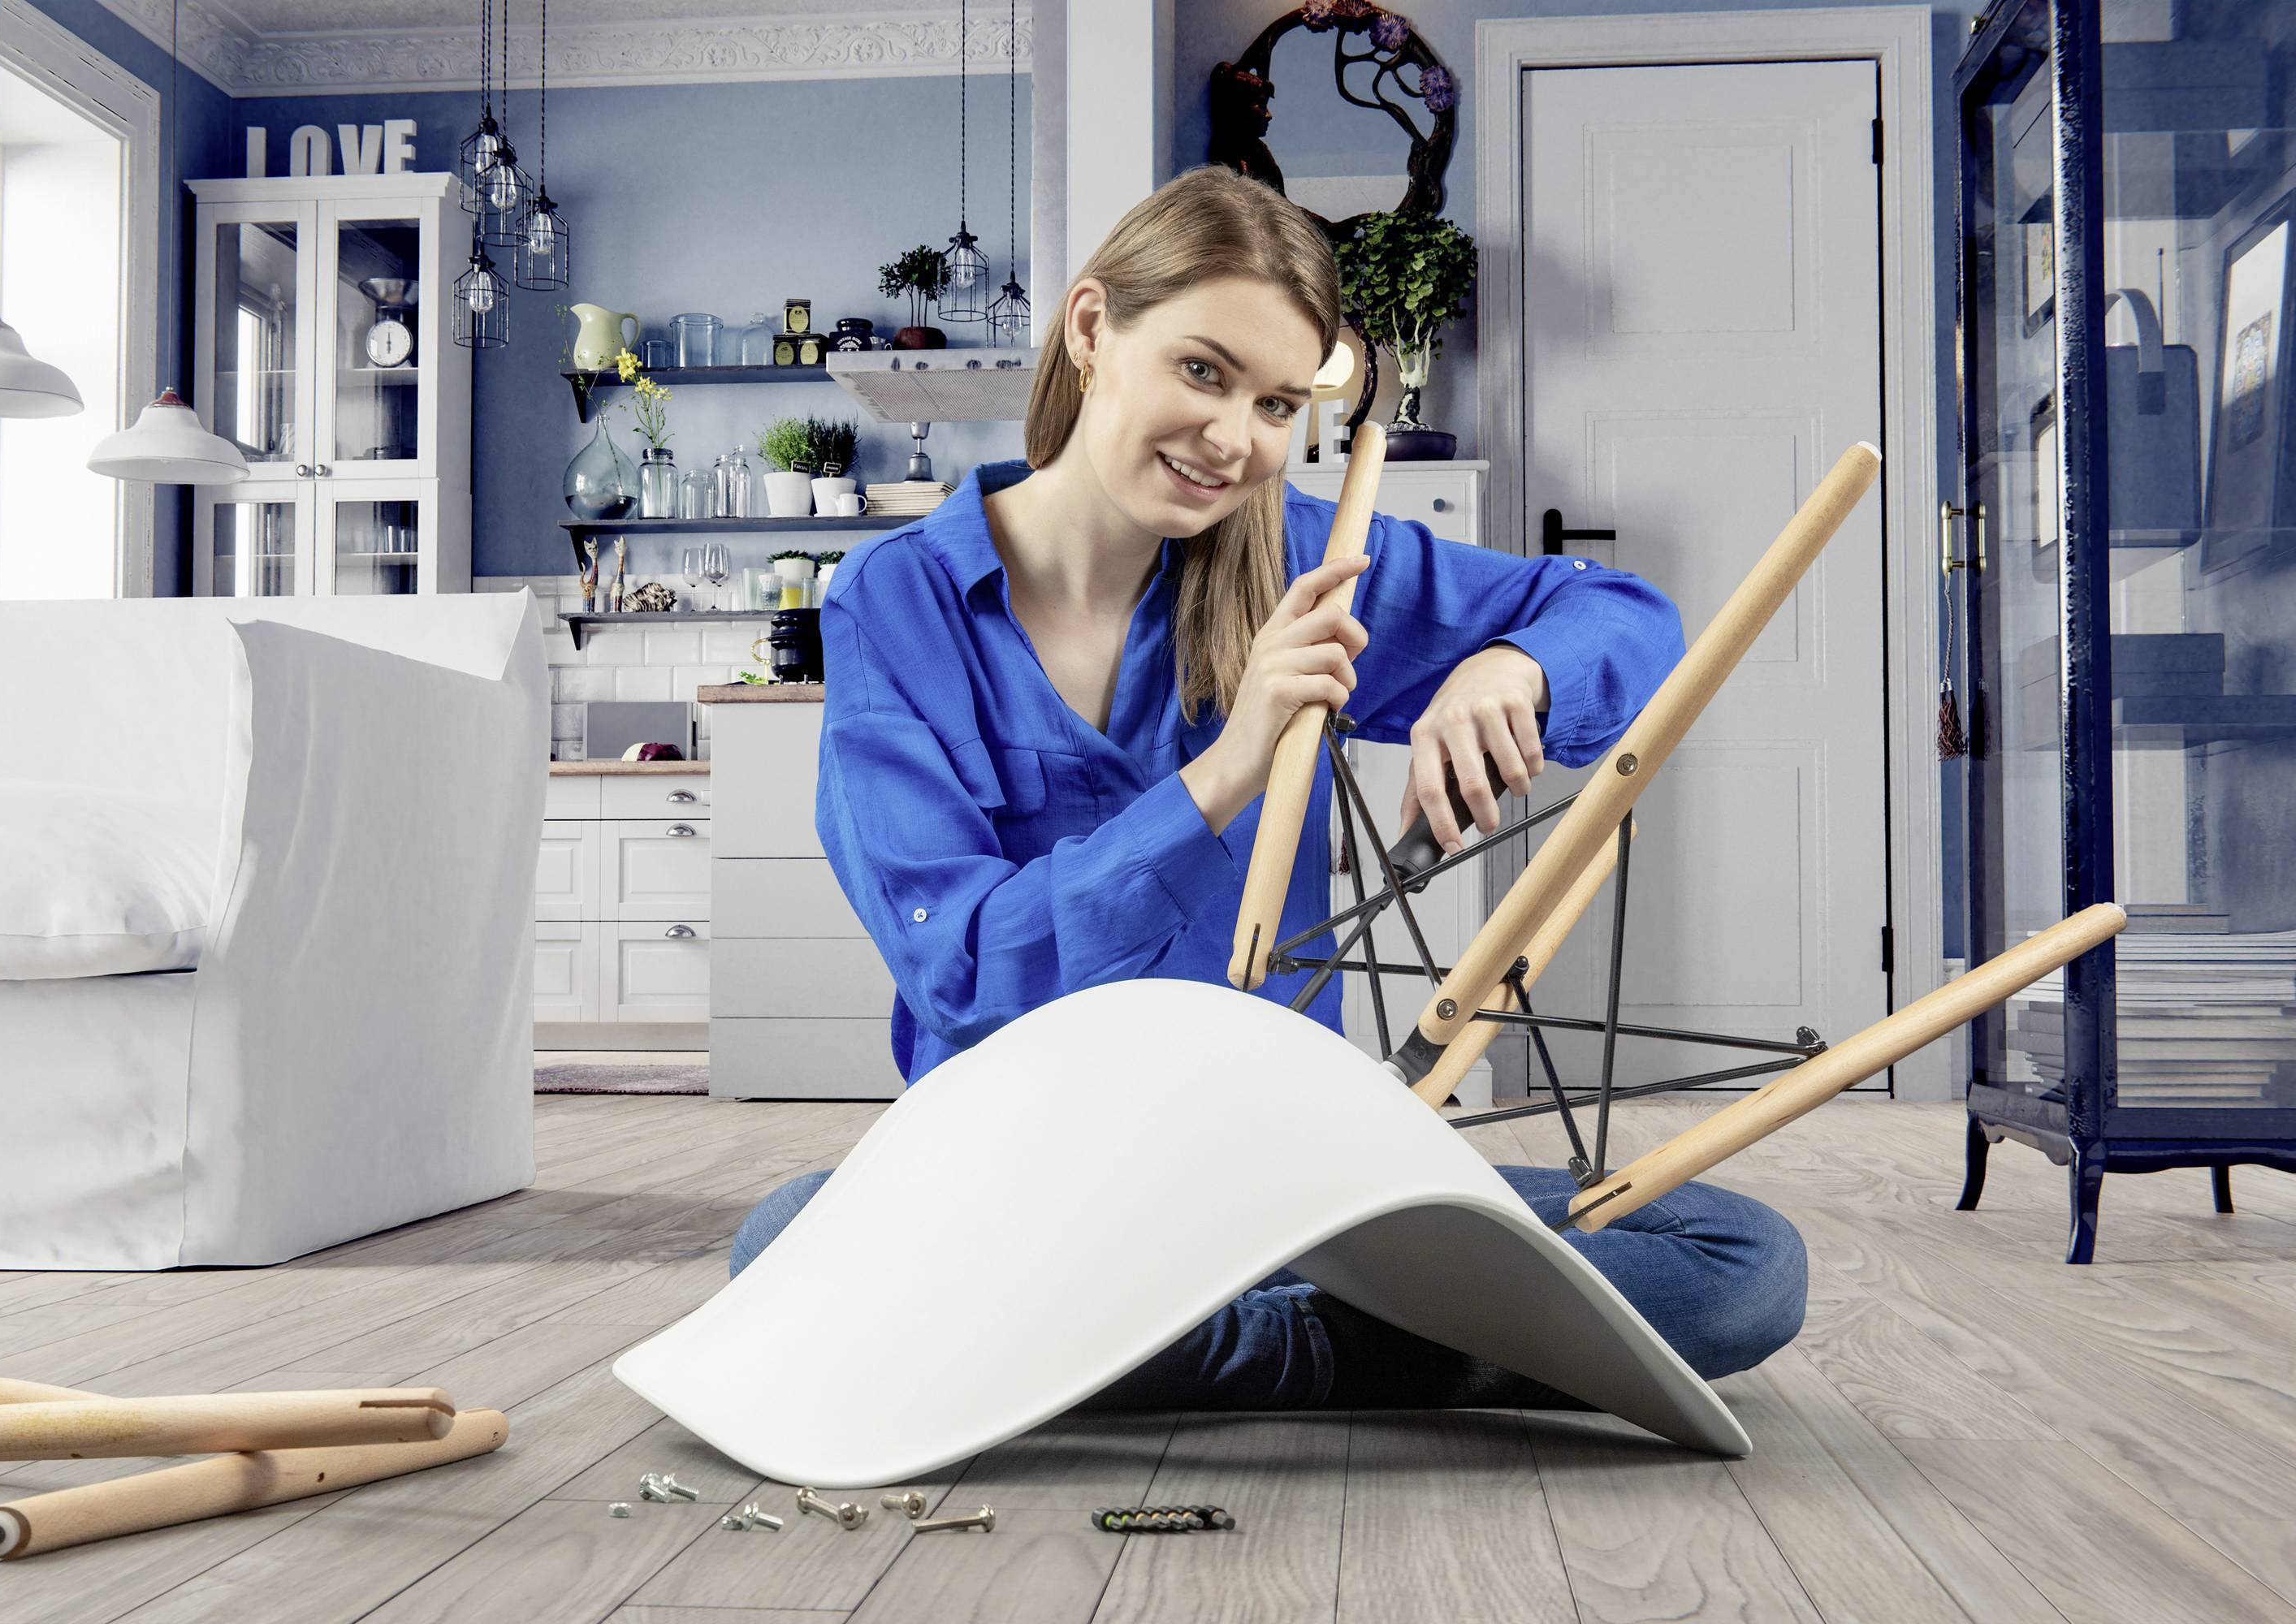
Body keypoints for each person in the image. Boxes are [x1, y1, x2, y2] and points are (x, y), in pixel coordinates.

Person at [729, 166, 1805, 1412]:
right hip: (1024, 1181)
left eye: (1278, 402)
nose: (1237, 438)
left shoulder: (1308, 560)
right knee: (788, 1242)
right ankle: (1325, 1348)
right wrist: (1224, 772)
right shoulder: (899, 602)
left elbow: (1621, 618)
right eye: (1203, 371)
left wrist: (1509, 669)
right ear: (1092, 331)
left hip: (1289, 1181)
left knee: (1741, 1263)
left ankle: (1187, 1343)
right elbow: (963, 969)